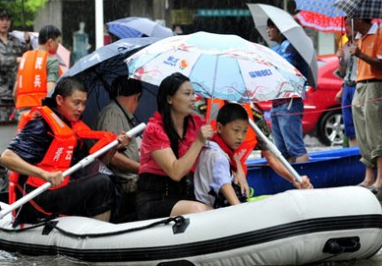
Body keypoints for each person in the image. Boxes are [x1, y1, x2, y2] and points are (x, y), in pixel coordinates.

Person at [0, 76, 131, 225]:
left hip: (61, 190)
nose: (81, 109)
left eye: (83, 104)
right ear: (60, 100)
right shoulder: (41, 126)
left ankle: (102, 228)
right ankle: (98, 235)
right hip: (37, 198)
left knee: (109, 178)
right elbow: (6, 158)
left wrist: (114, 147)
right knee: (103, 183)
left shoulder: (73, 126)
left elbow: (98, 167)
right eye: (76, 103)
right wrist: (45, 174)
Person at [195, 103, 313, 208]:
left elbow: (271, 157)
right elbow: (223, 183)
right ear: (219, 128)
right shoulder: (199, 110)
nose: (240, 137)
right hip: (211, 199)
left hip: (235, 185)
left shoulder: (255, 119)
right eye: (236, 130)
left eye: (245, 131)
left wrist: (294, 179)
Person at [136, 72, 214, 220]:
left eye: (193, 93)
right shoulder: (154, 129)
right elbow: (175, 172)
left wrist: (237, 167)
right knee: (199, 210)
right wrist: (198, 141)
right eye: (187, 94)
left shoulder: (196, 123)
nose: (193, 99)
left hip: (186, 193)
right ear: (170, 99)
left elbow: (220, 143)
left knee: (215, 210)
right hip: (156, 199)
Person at [349, 18, 382, 194]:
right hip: (359, 86)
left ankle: (380, 178)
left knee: (376, 132)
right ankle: (368, 176)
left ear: (359, 18)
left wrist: (360, 54)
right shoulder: (358, 38)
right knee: (362, 134)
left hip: (376, 86)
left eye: (349, 20)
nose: (348, 24)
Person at [0, 8, 30, 172]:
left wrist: (28, 41)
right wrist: (16, 60)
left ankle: (14, 167)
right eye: (0, 19)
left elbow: (28, 57)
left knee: (15, 133)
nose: (4, 22)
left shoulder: (15, 40)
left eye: (7, 19)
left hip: (17, 94)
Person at [95, 76, 143, 222]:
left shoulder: (123, 114)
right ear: (136, 97)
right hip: (124, 186)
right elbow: (112, 156)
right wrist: (141, 169)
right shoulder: (113, 113)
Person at [266, 19, 310, 163]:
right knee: (282, 150)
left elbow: (286, 68)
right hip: (277, 102)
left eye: (271, 27)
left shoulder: (291, 47)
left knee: (295, 148)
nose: (268, 31)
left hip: (289, 101)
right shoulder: (276, 48)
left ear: (280, 29)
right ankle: (292, 180)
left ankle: (304, 179)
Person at [14, 25, 63, 128]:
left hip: (22, 115)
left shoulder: (25, 58)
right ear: (50, 42)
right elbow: (51, 92)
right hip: (40, 115)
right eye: (58, 42)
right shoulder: (51, 61)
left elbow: (15, 91)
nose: (58, 45)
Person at [335, 17, 359, 147]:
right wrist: (341, 60)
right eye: (346, 25)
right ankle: (352, 149)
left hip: (357, 86)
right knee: (348, 124)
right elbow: (343, 73)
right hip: (347, 87)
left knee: (359, 123)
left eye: (349, 25)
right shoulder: (345, 46)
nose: (347, 28)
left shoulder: (361, 43)